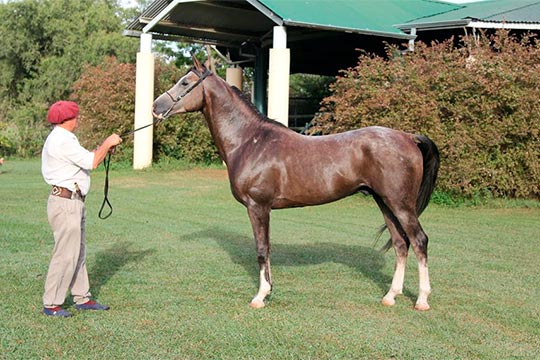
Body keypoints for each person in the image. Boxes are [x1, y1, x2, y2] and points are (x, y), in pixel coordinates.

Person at [41, 100, 122, 317]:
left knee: (78, 252)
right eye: (76, 116)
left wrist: (104, 149)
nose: (78, 119)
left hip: (72, 201)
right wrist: (107, 142)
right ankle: (51, 304)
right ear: (68, 119)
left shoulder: (64, 138)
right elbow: (92, 162)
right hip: (66, 203)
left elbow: (87, 158)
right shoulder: (62, 140)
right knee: (66, 254)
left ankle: (82, 297)